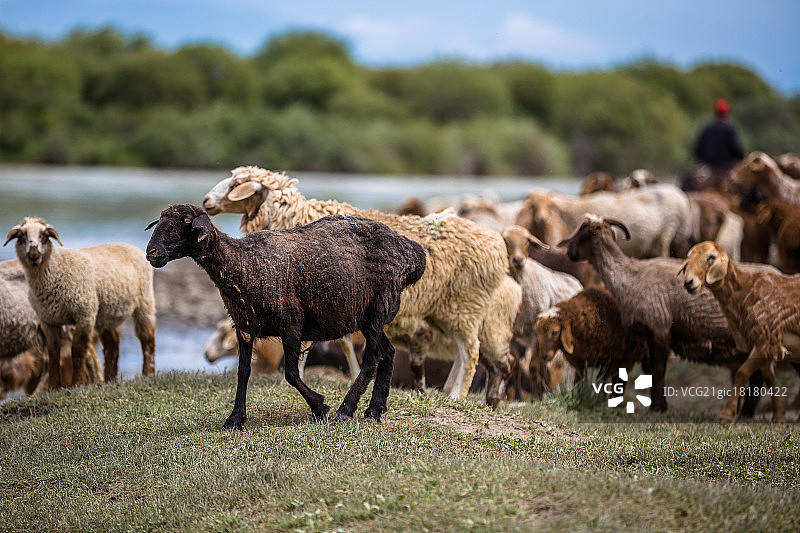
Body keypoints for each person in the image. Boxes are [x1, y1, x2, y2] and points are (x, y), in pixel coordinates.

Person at [681, 98, 745, 192]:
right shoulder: (730, 128)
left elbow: (698, 149)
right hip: (725, 168)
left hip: (707, 167)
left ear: (715, 112)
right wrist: (743, 157)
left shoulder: (707, 128)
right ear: (727, 112)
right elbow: (736, 149)